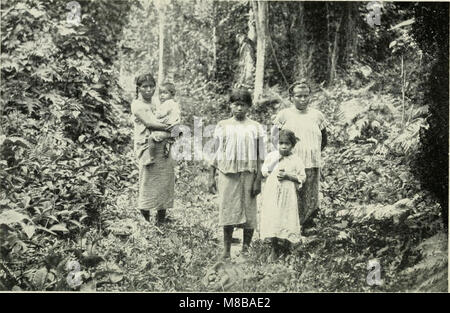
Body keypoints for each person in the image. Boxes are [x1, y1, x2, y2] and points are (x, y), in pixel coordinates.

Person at [208, 88, 266, 259]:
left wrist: (258, 180)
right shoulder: (223, 125)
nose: (239, 108)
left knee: (249, 211)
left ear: (249, 107)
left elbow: (261, 155)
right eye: (236, 105)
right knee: (228, 210)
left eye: (243, 105)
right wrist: (211, 176)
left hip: (249, 173)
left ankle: (246, 249)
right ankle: (226, 250)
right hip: (228, 173)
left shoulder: (255, 127)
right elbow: (215, 151)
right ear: (230, 106)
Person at [273, 80, 328, 233]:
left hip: (312, 162)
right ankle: (289, 227)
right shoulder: (284, 115)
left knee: (310, 195)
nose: (302, 99)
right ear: (291, 97)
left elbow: (324, 140)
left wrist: (312, 152)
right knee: (290, 193)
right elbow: (274, 139)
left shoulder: (317, 115)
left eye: (305, 96)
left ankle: (308, 227)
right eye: (298, 96)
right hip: (290, 163)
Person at [131, 73, 179, 225]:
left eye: (151, 86)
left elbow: (171, 112)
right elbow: (150, 124)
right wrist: (174, 128)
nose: (148, 90)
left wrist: (174, 127)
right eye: (145, 86)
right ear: (138, 88)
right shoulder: (137, 105)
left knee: (164, 181)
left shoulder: (158, 101)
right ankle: (144, 217)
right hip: (147, 146)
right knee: (147, 181)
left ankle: (161, 219)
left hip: (163, 144)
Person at [260, 129, 306, 261]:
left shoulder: (296, 160)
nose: (283, 146)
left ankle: (286, 247)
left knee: (287, 217)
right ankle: (274, 248)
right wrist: (274, 164)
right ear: (277, 143)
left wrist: (288, 176)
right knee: (274, 216)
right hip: (273, 192)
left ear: (292, 145)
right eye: (281, 143)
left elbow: (302, 177)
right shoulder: (272, 156)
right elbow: (264, 171)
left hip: (288, 193)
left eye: (287, 144)